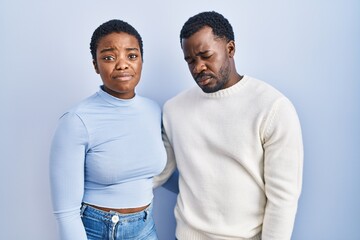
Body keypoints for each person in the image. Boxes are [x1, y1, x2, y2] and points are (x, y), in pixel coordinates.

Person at [154, 11, 303, 240]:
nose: (198, 68)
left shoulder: (273, 108)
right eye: (190, 60)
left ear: (230, 49)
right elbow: (158, 171)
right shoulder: (175, 109)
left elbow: (283, 200)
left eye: (206, 56)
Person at [50, 19, 166, 240]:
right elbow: (66, 214)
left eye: (131, 56)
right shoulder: (76, 120)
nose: (122, 64)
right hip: (98, 231)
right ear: (95, 65)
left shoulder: (153, 110)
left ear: (142, 60)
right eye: (109, 57)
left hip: (146, 227)